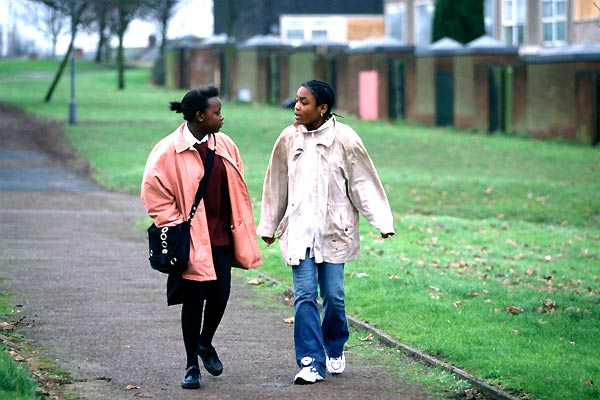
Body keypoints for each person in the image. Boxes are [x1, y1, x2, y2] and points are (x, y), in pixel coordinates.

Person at [257, 80, 395, 384]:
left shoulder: (345, 139)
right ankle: (310, 362)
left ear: (323, 108)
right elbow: (276, 183)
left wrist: (382, 222)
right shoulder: (287, 139)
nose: (296, 107)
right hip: (299, 233)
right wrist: (268, 225)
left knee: (333, 297)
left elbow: (363, 183)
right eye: (296, 100)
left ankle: (334, 345)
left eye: (304, 102)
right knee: (305, 296)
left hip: (335, 231)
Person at [141, 85, 262, 389]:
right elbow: (154, 193)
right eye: (216, 112)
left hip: (223, 235)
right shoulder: (168, 149)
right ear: (199, 115)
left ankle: (205, 342)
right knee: (194, 300)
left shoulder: (225, 145)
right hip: (192, 237)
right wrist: (176, 223)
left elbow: (237, 185)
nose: (222, 117)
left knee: (221, 295)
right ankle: (191, 365)